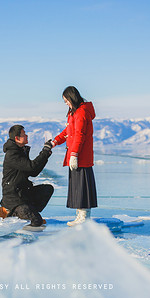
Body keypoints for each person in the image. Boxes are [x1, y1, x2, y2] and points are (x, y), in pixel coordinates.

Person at [51, 86, 97, 226]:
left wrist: (74, 154)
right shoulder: (74, 113)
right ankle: (79, 215)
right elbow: (68, 131)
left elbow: (79, 135)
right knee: (77, 186)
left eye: (67, 101)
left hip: (81, 156)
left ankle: (84, 217)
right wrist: (56, 141)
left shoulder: (81, 112)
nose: (66, 104)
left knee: (82, 186)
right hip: (76, 155)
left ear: (72, 98)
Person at [0, 124, 54, 227]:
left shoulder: (21, 151)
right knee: (37, 221)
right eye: (24, 134)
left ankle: (30, 211)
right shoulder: (12, 154)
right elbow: (32, 167)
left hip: (23, 194)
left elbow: (33, 172)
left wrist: (46, 153)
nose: (27, 136)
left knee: (47, 189)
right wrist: (44, 151)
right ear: (17, 138)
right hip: (14, 198)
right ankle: (9, 211)